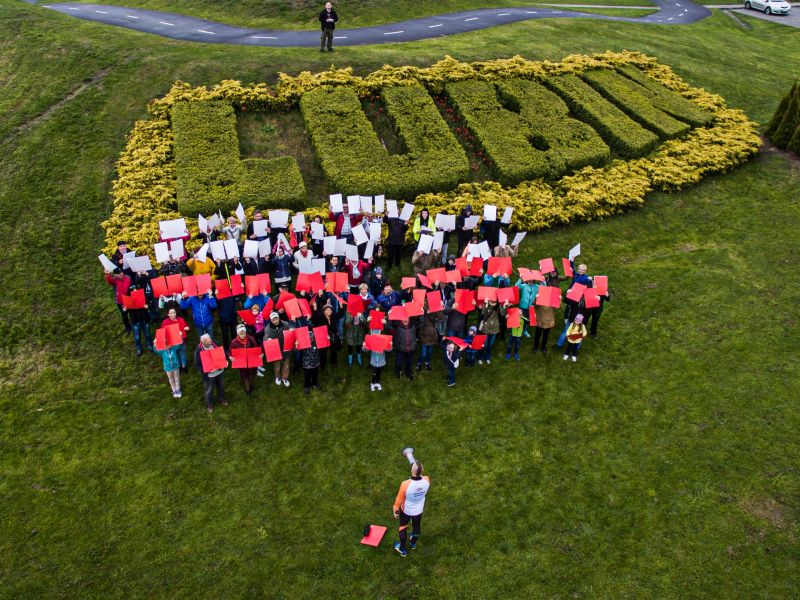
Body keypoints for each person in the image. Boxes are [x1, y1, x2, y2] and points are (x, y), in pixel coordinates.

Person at [392, 461, 431, 557]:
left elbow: (399, 500)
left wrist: (395, 508)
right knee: (416, 526)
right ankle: (413, 543)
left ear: (411, 470)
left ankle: (402, 549)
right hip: (419, 510)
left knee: (403, 527)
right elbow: (419, 474)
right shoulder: (427, 480)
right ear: (422, 470)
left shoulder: (405, 484)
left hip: (407, 511)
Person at [194, 333, 227, 412]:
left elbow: (223, 352)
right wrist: (206, 370)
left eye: (210, 340)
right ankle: (210, 405)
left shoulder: (216, 344)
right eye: (207, 341)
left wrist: (225, 360)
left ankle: (221, 399)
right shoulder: (198, 351)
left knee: (221, 386)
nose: (209, 342)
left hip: (219, 371)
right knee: (209, 389)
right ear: (202, 342)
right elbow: (197, 364)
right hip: (209, 375)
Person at [229, 324, 259, 395]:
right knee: (245, 375)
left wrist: (259, 354)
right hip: (242, 361)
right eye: (240, 333)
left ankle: (251, 383)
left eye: (244, 332)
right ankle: (248, 388)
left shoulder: (250, 338)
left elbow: (256, 348)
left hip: (251, 359)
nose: (242, 334)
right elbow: (230, 352)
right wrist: (230, 357)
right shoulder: (234, 342)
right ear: (238, 333)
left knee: (253, 373)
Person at [265, 311, 292, 387]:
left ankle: (285, 377)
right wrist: (267, 339)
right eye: (273, 320)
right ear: (271, 320)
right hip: (275, 349)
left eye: (276, 319)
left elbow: (290, 333)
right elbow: (265, 337)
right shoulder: (267, 328)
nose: (275, 321)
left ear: (279, 318)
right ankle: (277, 377)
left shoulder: (285, 324)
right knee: (277, 365)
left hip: (286, 347)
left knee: (286, 365)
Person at [161, 307, 190, 372]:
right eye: (171, 313)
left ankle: (184, 366)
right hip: (172, 342)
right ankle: (179, 367)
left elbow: (186, 326)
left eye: (174, 312)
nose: (173, 314)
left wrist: (187, 328)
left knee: (182, 353)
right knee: (175, 355)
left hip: (181, 340)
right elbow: (163, 331)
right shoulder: (165, 322)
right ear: (168, 314)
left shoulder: (180, 319)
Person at [477, 298, 506, 364]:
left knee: (490, 345)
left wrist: (504, 306)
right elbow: (483, 313)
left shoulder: (498, 306)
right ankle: (480, 358)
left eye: (494, 302)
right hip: (486, 328)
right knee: (484, 345)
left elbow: (503, 314)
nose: (493, 304)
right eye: (491, 302)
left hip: (494, 328)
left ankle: (487, 357)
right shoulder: (486, 304)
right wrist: (486, 304)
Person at [104, 267, 132, 333]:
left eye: (121, 272)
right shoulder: (114, 280)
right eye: (119, 274)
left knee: (132, 313)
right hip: (120, 302)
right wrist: (107, 274)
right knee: (124, 315)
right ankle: (128, 327)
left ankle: (135, 323)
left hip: (129, 299)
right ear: (115, 275)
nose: (121, 274)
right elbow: (109, 280)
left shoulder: (128, 277)